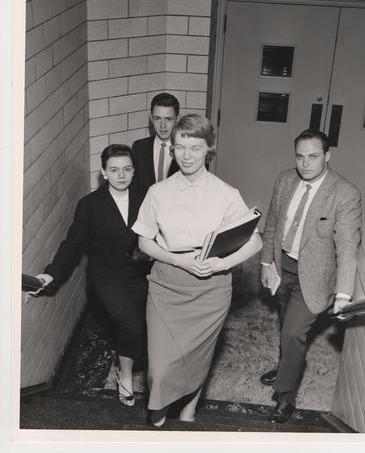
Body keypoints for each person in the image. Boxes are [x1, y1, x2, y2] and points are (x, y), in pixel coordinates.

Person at [132, 114, 263, 426]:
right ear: (172, 149)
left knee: (199, 355)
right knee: (160, 367)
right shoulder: (158, 192)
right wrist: (178, 260)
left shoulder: (226, 193)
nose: (186, 156)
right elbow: (144, 241)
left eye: (195, 148)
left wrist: (223, 263)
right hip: (167, 285)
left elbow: (255, 242)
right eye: (180, 148)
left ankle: (190, 408)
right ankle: (159, 413)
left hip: (211, 289)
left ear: (209, 150)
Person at [259, 129, 362, 424]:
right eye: (300, 157)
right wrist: (267, 263)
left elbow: (347, 248)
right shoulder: (285, 179)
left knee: (293, 332)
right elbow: (272, 224)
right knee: (285, 326)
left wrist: (343, 295)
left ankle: (285, 397)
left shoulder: (345, 193)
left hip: (315, 278)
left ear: (327, 156)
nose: (305, 164)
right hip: (282, 268)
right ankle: (285, 366)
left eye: (314, 157)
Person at [36, 144, 148, 408]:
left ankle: (126, 361)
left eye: (127, 169)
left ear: (133, 171)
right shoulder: (90, 205)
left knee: (137, 325)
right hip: (106, 277)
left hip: (139, 273)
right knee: (131, 325)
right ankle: (125, 374)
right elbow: (73, 243)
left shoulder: (146, 196)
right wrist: (52, 274)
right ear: (104, 173)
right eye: (114, 170)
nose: (121, 175)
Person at [131, 92, 180, 205]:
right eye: (157, 118)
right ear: (150, 118)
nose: (162, 125)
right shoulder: (139, 147)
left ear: (177, 119)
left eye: (168, 119)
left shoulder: (185, 150)